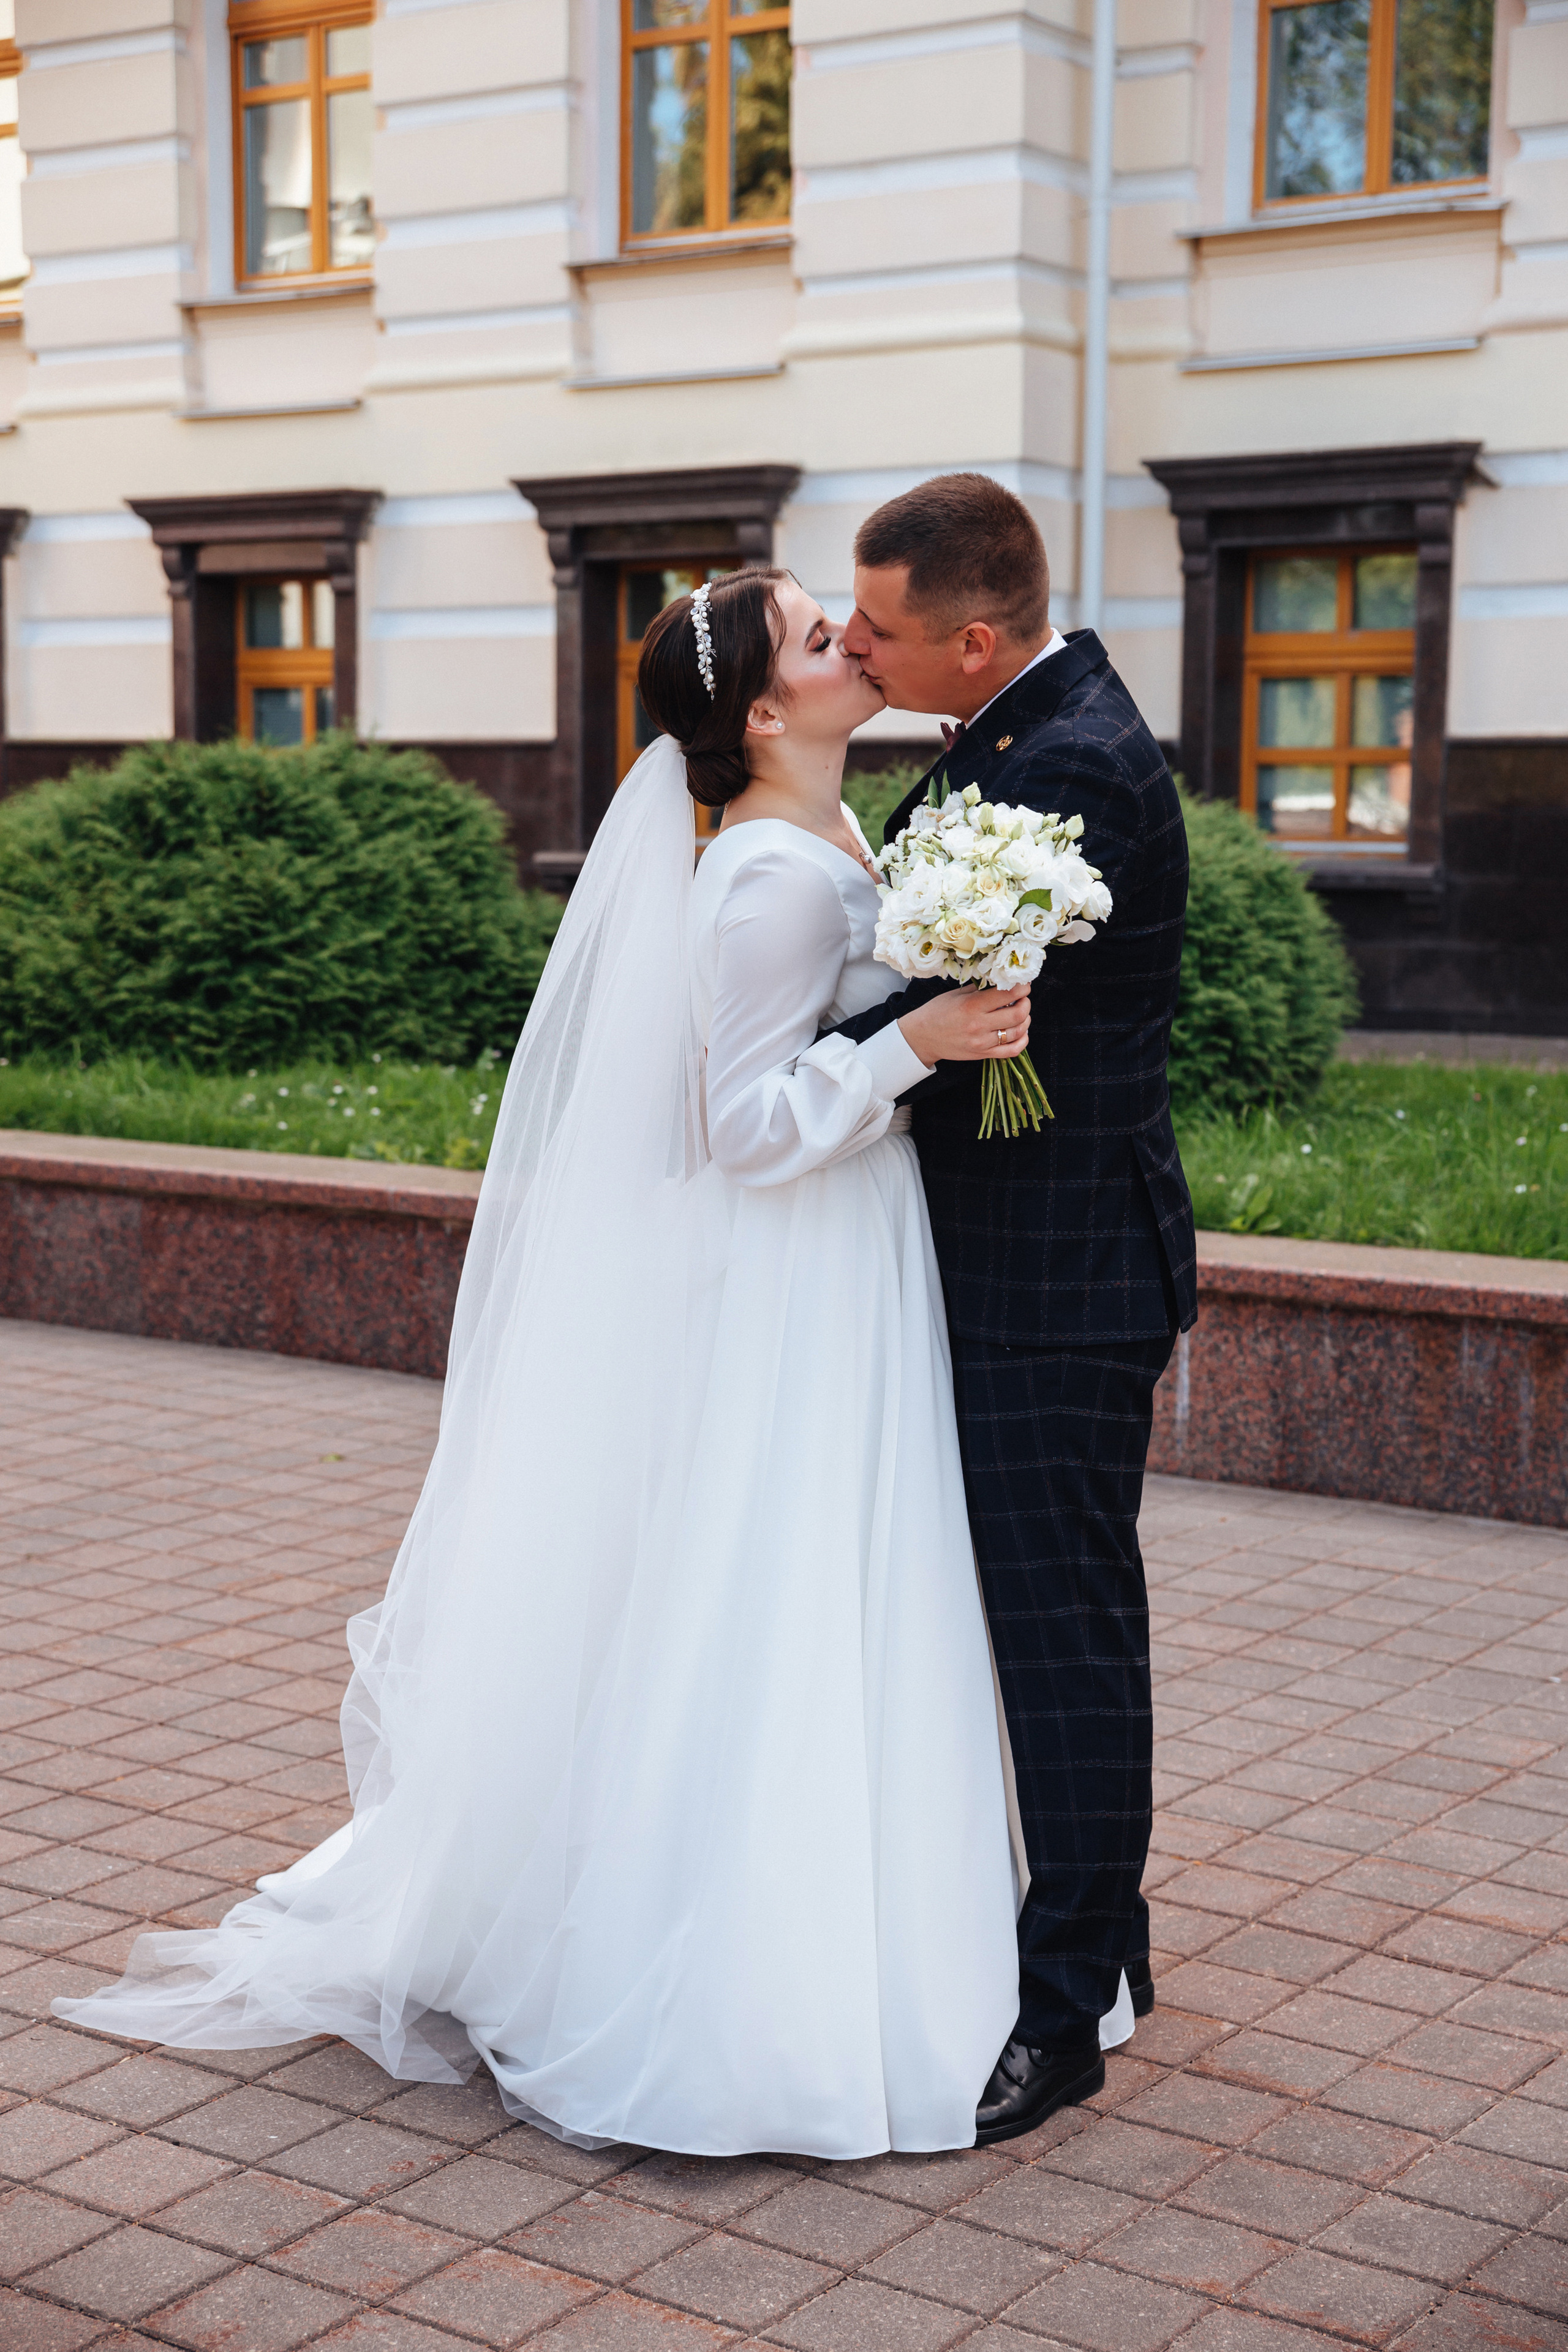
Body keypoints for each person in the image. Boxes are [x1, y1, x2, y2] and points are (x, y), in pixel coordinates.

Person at [55, 567, 1128, 2158]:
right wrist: (918, 1043)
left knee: (846, 1584)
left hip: (850, 1256)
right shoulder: (766, 880)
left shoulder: (832, 831)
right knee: (783, 1590)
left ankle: (904, 1936)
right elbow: (739, 1128)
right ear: (764, 710)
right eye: (819, 637)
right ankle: (744, 1982)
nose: (851, 641)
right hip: (799, 1266)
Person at [835, 473, 1197, 2144]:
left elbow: (938, 1002)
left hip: (1058, 1279)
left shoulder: (1073, 765)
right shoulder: (1014, 726)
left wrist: (776, 1062)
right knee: (1045, 1631)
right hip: (1015, 1256)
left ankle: (1061, 2015)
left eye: (880, 627)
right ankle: (1104, 1944)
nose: (858, 647)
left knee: (1062, 1642)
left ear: (973, 639)